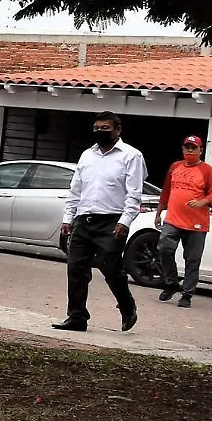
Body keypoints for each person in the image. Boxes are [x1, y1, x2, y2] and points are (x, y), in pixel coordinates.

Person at [55, 111, 145, 332]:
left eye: (105, 128)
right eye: (97, 128)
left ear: (118, 130)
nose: (100, 132)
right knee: (76, 268)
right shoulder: (87, 155)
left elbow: (134, 194)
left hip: (112, 222)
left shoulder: (131, 156)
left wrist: (125, 221)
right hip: (83, 221)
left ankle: (127, 305)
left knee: (111, 268)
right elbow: (75, 190)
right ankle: (76, 317)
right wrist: (68, 217)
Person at [155, 135, 212, 308]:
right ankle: (171, 282)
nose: (190, 150)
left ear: (201, 150)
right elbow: (166, 191)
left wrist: (201, 202)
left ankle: (187, 294)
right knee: (164, 248)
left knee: (192, 259)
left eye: (193, 147)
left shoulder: (206, 170)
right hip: (173, 219)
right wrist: (159, 212)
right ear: (183, 149)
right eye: (187, 147)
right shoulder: (175, 167)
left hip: (197, 224)